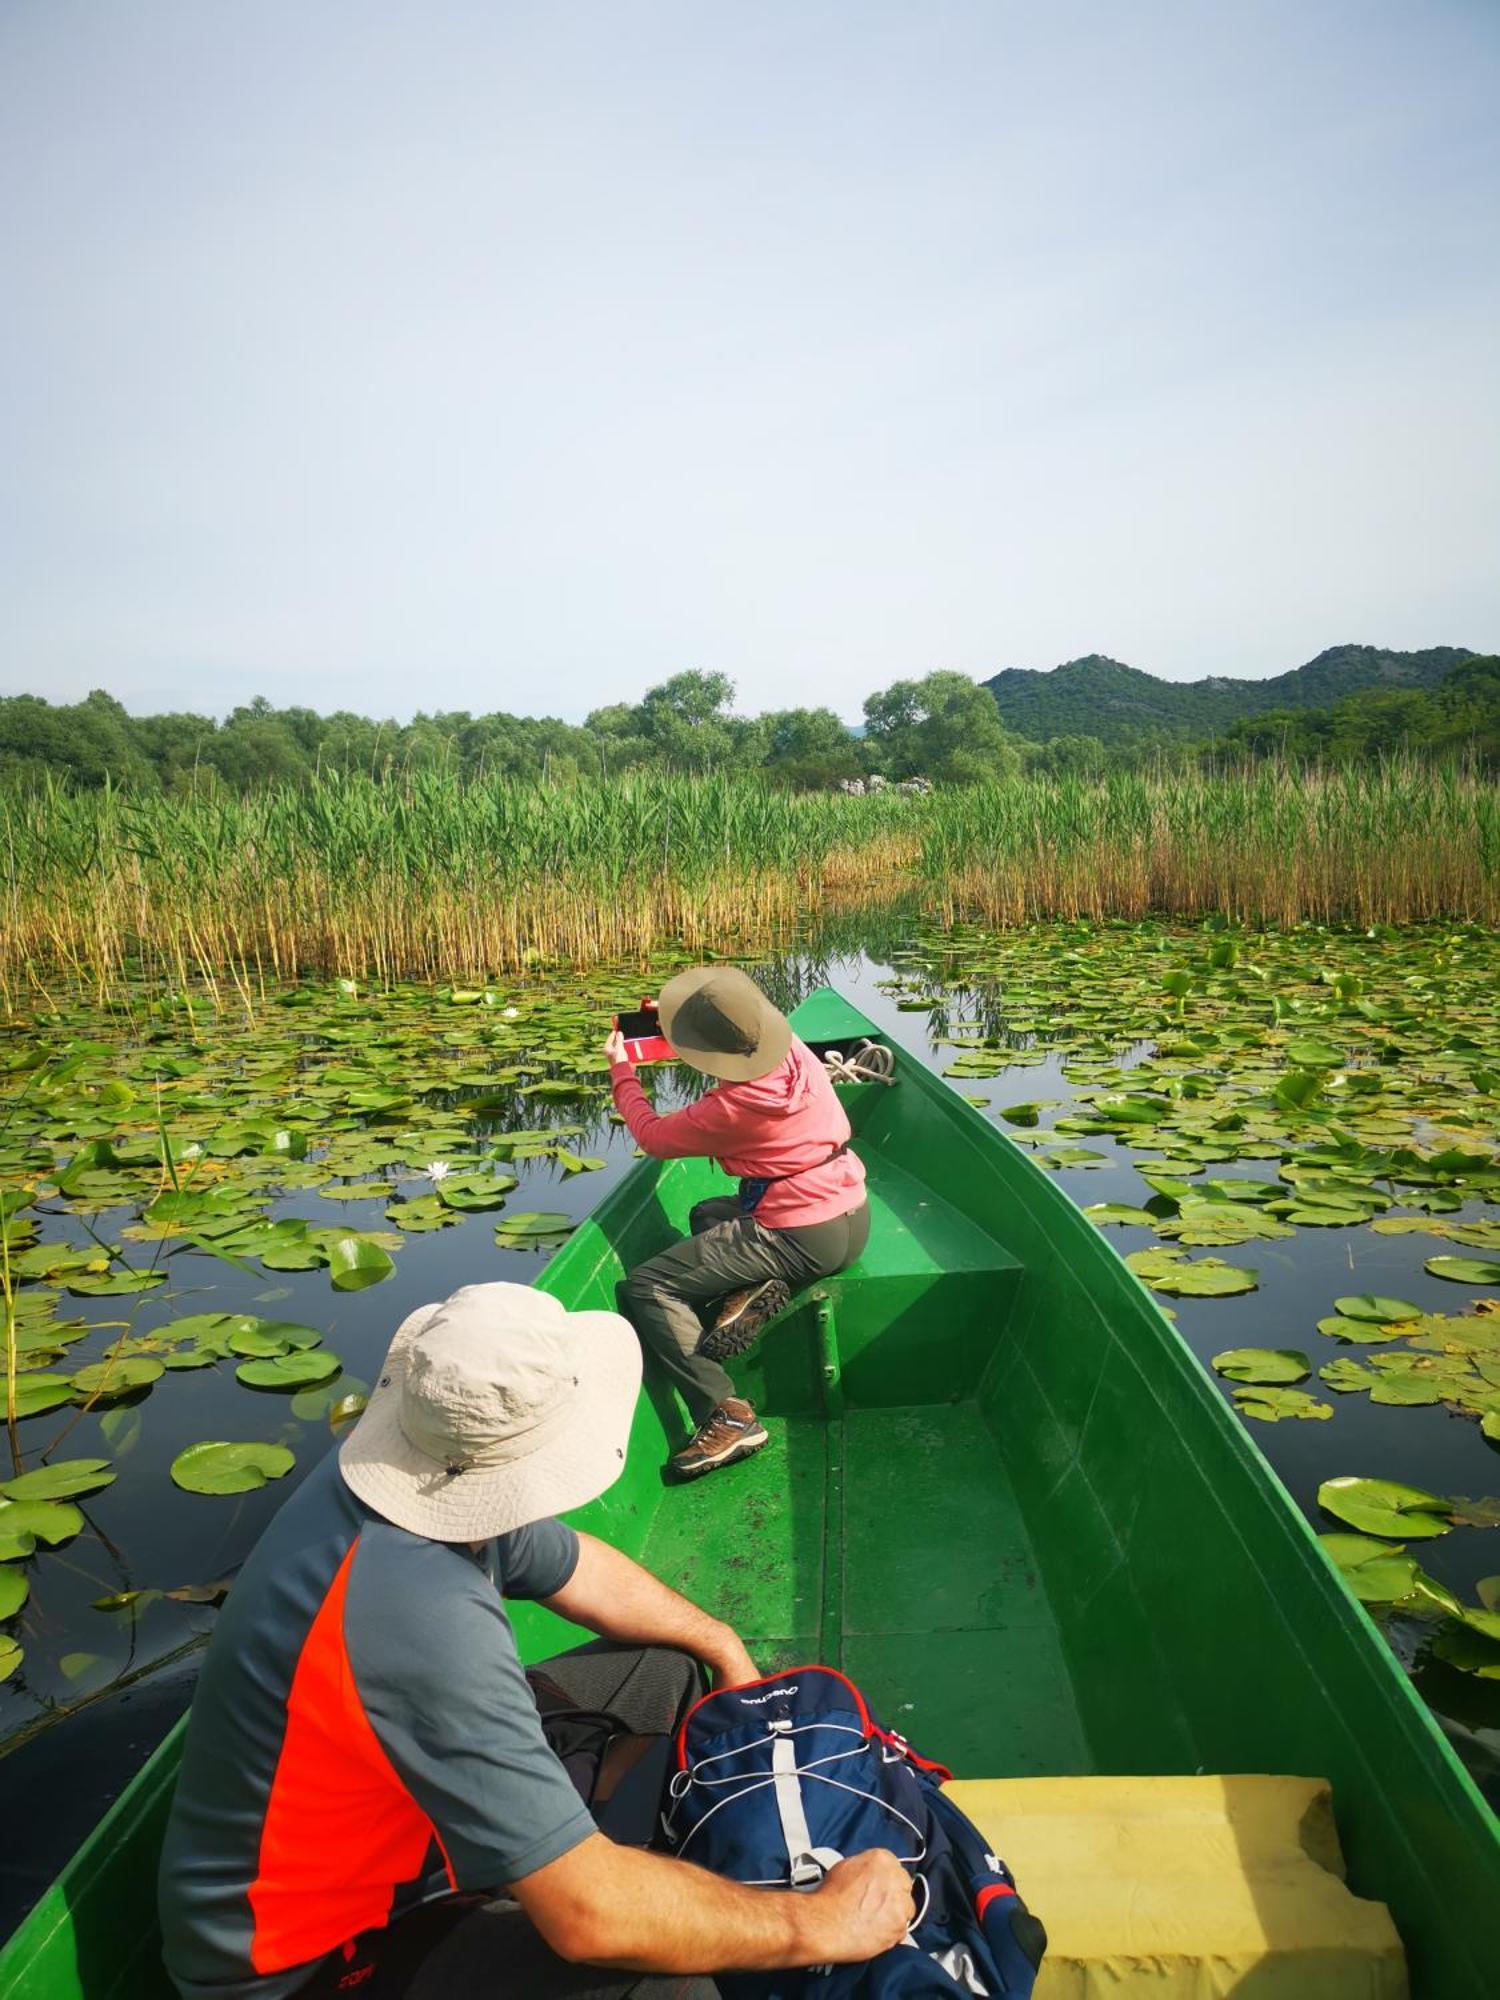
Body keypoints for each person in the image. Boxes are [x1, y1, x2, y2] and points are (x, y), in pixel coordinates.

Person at [157, 1282, 911, 2000]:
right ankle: (584, 1867)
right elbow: (591, 1923)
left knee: (672, 1667)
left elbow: (574, 1566)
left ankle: (588, 1857)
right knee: (666, 1985)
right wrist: (821, 1921)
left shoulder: (414, 1463)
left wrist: (722, 1646)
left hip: (410, 1824)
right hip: (325, 1957)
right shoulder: (418, 1616)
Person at [606, 966, 870, 1480]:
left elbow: (654, 1137)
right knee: (708, 1215)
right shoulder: (792, 1049)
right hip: (851, 1215)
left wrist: (623, 1071)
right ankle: (754, 1286)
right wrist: (674, 1026)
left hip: (797, 1233)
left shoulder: (732, 1108)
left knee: (649, 1286)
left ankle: (725, 1412)